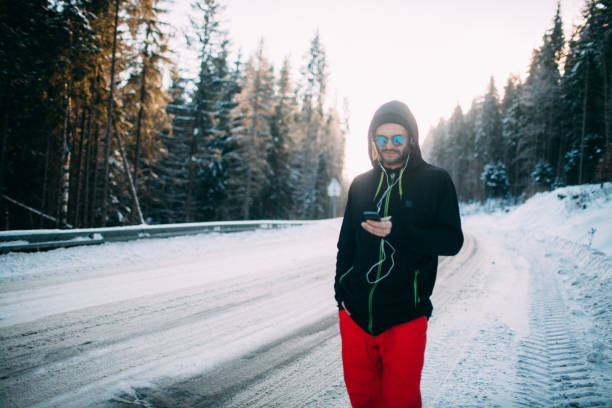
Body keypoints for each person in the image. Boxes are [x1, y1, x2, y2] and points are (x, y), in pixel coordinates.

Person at [334, 100, 464, 407]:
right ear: (373, 141)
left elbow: (452, 240)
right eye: (382, 138)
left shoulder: (435, 181)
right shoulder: (361, 184)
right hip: (355, 317)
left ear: (411, 139)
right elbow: (346, 245)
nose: (389, 145)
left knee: (400, 401)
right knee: (363, 400)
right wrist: (341, 294)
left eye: (397, 138)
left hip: (406, 317)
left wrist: (403, 231)